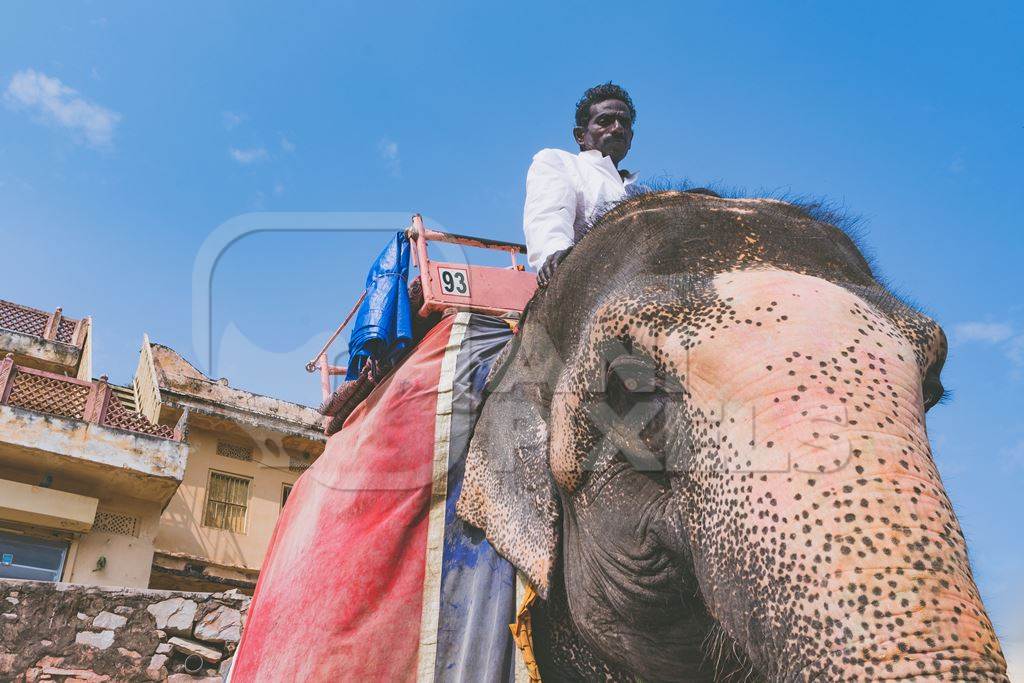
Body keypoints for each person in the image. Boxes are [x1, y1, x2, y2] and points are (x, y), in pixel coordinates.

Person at [523, 82, 638, 286]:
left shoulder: (642, 192)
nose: (618, 128)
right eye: (605, 121)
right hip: (587, 284)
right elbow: (549, 217)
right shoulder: (560, 163)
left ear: (631, 137)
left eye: (624, 123)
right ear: (580, 136)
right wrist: (557, 257)